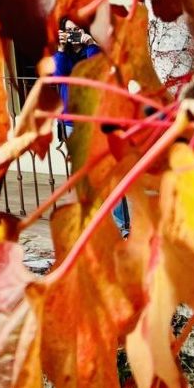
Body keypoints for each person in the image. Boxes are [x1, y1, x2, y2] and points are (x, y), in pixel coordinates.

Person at [53, 19, 130, 237]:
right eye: (68, 31)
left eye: (76, 30)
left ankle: (121, 226)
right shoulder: (61, 56)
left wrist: (91, 44)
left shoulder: (93, 50)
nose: (73, 35)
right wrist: (60, 49)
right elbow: (57, 75)